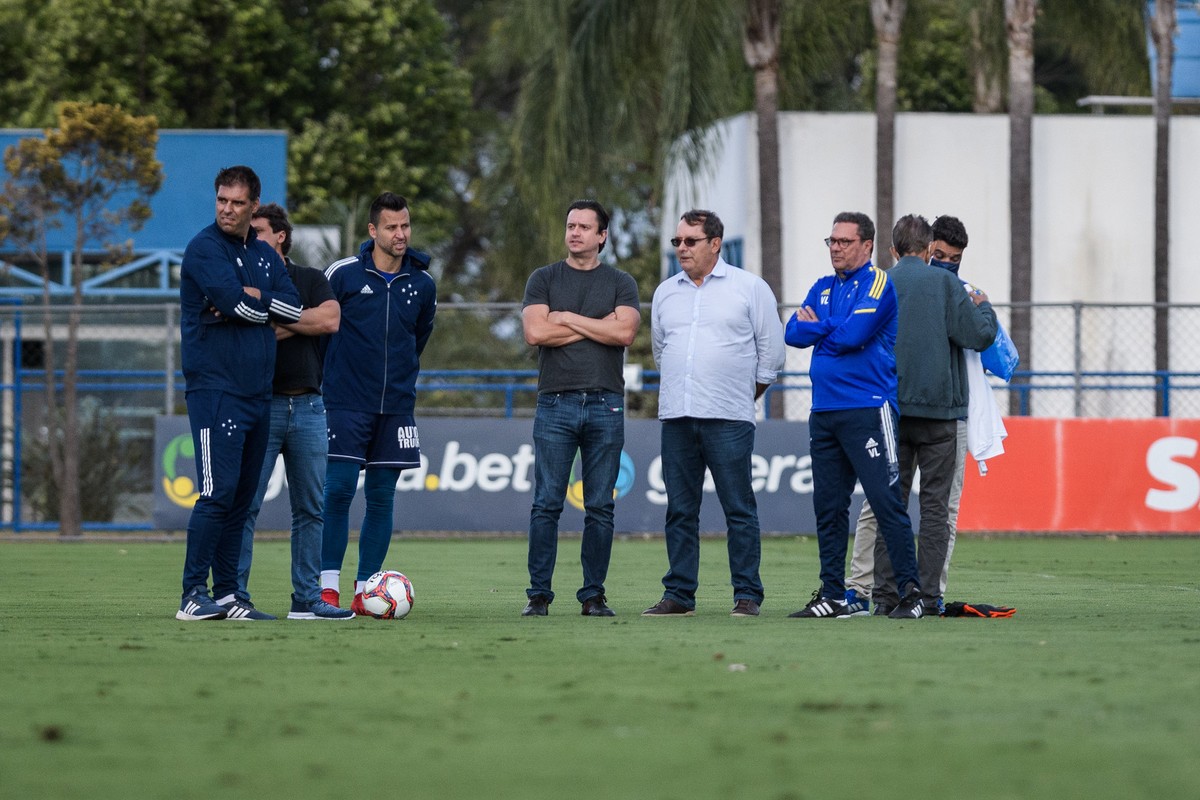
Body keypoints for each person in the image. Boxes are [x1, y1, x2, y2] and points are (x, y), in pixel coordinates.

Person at [845, 214, 1009, 616]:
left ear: (893, 250)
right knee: (937, 511)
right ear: (928, 249)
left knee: (888, 507)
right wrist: (984, 309)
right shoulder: (948, 284)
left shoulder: (878, 285)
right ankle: (927, 597)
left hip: (891, 413)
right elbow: (979, 336)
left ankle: (885, 596)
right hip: (941, 415)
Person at [642, 209, 785, 618]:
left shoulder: (749, 288)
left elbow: (771, 354)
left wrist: (743, 395)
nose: (682, 248)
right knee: (680, 509)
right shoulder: (666, 292)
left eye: (691, 241)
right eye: (678, 242)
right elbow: (660, 352)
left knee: (738, 508)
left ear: (715, 244)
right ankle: (679, 595)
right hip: (678, 416)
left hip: (729, 417)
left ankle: (747, 595)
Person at [176, 166, 303, 621]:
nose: (227, 210)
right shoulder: (204, 248)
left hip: (256, 394)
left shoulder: (265, 256)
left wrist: (252, 298)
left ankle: (229, 595)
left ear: (254, 206)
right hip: (216, 390)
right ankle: (193, 594)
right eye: (221, 201)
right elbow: (237, 304)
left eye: (236, 203)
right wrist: (248, 301)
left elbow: (293, 310)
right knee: (217, 491)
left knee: (243, 496)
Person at [783, 211, 923, 619]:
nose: (836, 249)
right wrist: (832, 327)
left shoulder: (879, 282)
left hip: (867, 407)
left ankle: (912, 594)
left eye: (844, 242)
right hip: (824, 410)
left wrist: (821, 327)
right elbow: (792, 332)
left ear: (867, 245)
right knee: (828, 506)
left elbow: (854, 336)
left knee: (885, 502)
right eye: (832, 241)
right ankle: (832, 594)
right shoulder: (822, 286)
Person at [520, 199, 641, 617]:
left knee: (601, 506)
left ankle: (593, 595)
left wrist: (567, 317)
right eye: (570, 225)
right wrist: (596, 326)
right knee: (547, 502)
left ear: (602, 236)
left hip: (606, 403)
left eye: (584, 227)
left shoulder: (622, 282)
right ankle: (538, 595)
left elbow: (624, 332)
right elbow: (536, 332)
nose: (575, 233)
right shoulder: (543, 278)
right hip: (555, 403)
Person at [234, 203, 354, 621]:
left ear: (280, 236)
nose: (251, 238)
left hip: (308, 405)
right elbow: (249, 332)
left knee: (310, 507)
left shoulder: (308, 278)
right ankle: (235, 597)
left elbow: (331, 320)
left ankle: (306, 599)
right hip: (261, 405)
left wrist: (276, 323)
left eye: (259, 230)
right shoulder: (244, 281)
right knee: (245, 505)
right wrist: (302, 320)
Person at [319, 192, 437, 615]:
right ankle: (326, 589)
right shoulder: (343, 275)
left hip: (396, 407)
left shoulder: (423, 284)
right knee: (337, 492)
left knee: (382, 497)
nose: (400, 234)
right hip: (345, 402)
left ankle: (365, 591)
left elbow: (417, 339)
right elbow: (319, 329)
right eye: (391, 227)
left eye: (405, 225)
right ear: (373, 231)